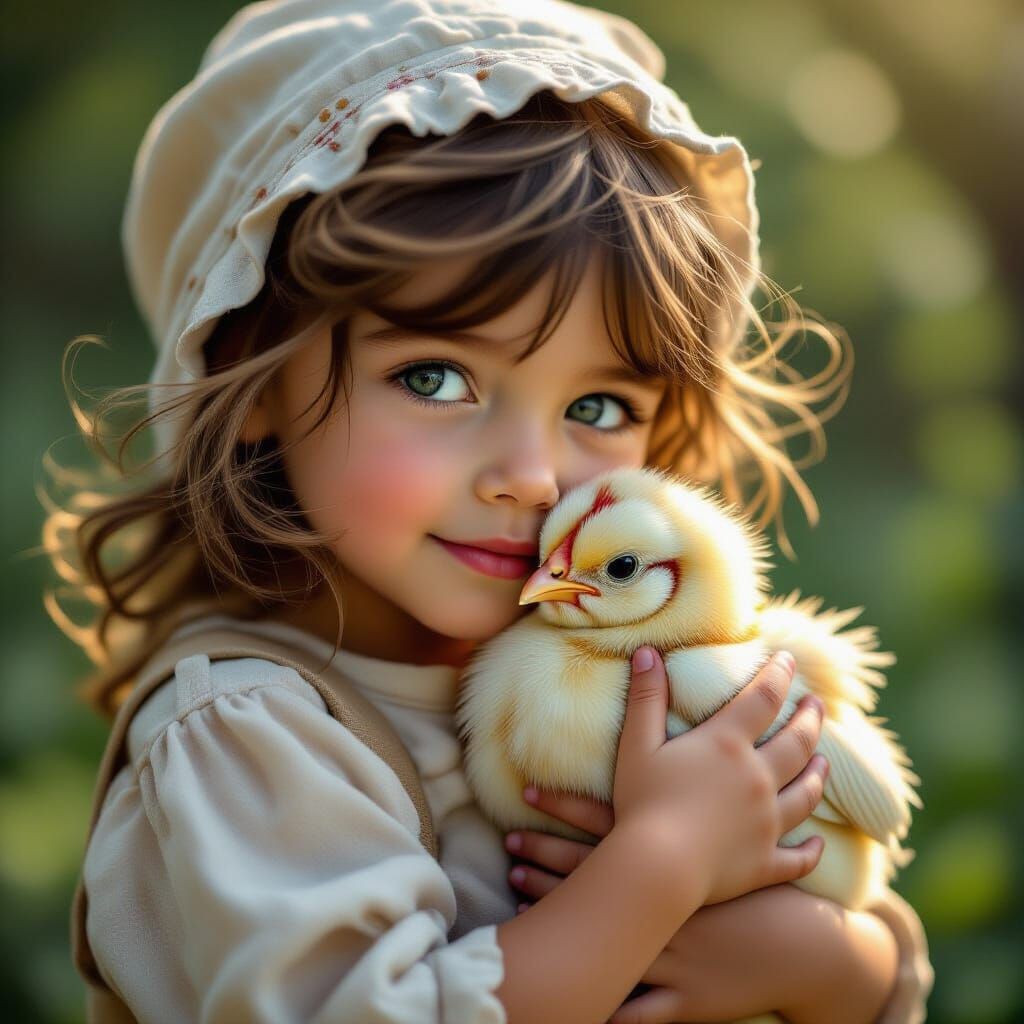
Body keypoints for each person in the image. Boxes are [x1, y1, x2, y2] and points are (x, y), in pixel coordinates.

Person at [47, 1, 933, 1021]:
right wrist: (660, 861)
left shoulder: (621, 661)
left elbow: (871, 950)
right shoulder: (249, 736)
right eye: (434, 377)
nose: (531, 475)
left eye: (597, 406)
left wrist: (834, 965)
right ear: (249, 379)